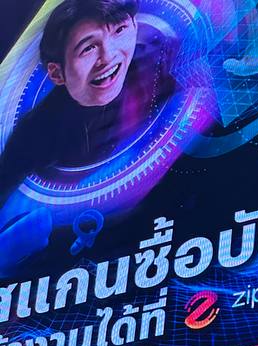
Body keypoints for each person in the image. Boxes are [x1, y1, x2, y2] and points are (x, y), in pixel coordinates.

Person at [0, 0, 177, 203]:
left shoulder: (162, 60)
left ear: (135, 27)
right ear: (57, 73)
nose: (108, 57)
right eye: (88, 48)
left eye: (119, 30)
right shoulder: (34, 136)